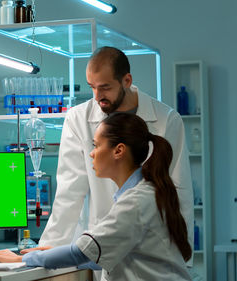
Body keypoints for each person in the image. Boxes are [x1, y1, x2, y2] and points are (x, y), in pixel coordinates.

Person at [0, 113, 192, 280]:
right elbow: (105, 255)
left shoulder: (136, 201)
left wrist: (23, 260)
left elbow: (80, 253)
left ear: (118, 151)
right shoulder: (142, 192)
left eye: (96, 145)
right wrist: (56, 253)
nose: (91, 153)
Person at [39, 47, 193, 255]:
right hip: (101, 245)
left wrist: (185, 254)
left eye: (105, 87)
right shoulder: (78, 119)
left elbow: (179, 190)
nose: (97, 97)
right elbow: (69, 192)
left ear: (126, 81)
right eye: (92, 87)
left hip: (153, 248)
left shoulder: (167, 120)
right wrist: (46, 252)